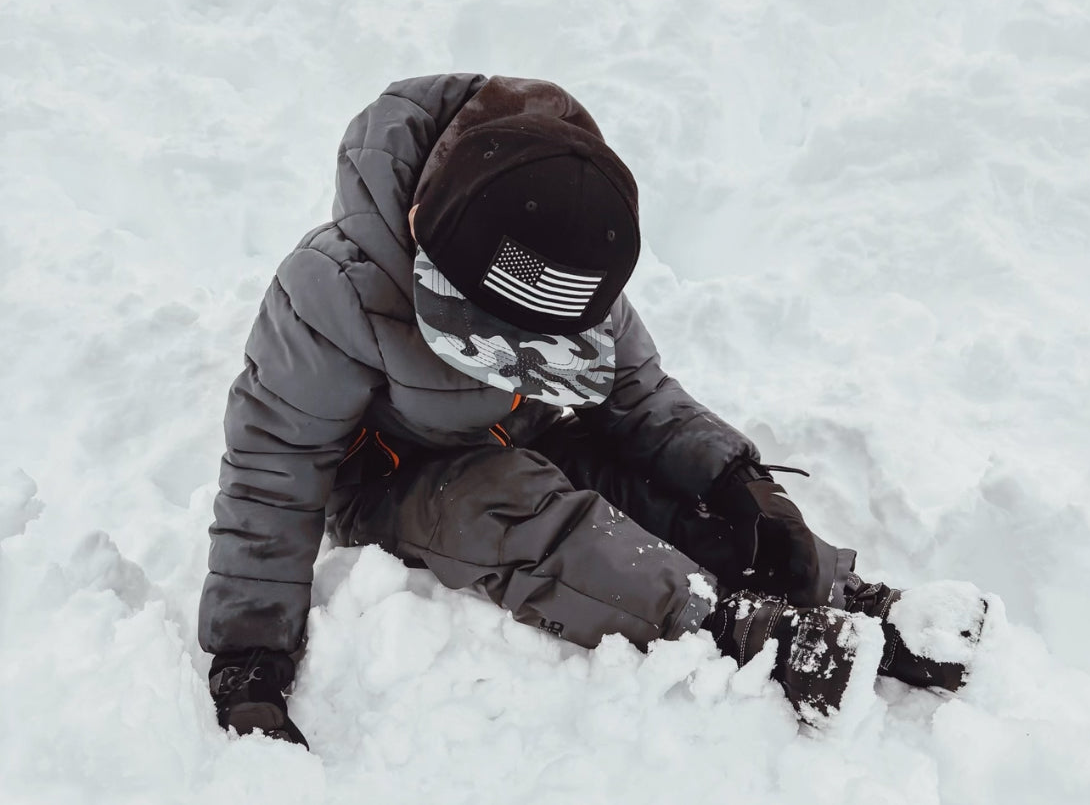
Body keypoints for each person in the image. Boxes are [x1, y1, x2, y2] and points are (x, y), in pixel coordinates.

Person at [200, 74, 987, 747]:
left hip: (528, 437)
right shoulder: (333, 293)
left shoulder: (557, 226)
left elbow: (636, 394)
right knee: (518, 510)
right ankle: (726, 629)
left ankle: (846, 599)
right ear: (422, 233)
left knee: (658, 492)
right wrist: (250, 653)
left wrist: (741, 485)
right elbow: (273, 466)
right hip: (395, 480)